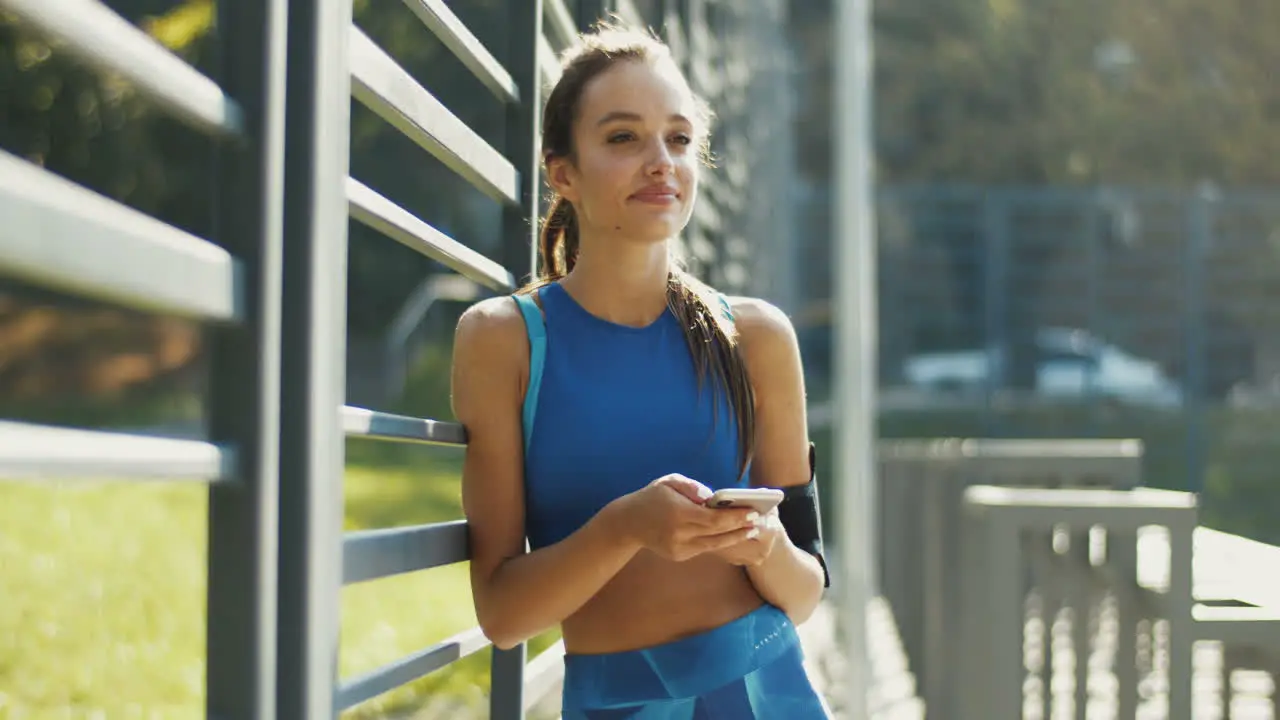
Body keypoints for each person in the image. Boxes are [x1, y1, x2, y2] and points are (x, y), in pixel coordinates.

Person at [450, 23, 832, 719]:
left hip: (766, 695)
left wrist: (763, 541)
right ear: (562, 172)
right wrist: (625, 527)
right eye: (624, 138)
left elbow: (806, 593)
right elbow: (502, 615)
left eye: (679, 139)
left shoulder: (758, 339)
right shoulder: (503, 341)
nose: (661, 161)